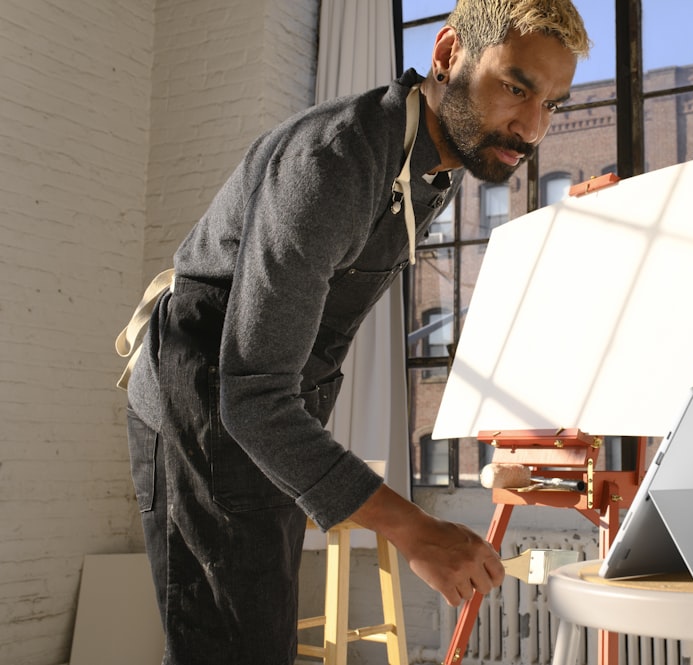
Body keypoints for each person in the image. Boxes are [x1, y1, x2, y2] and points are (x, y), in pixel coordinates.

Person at [119, 0, 590, 663]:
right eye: (517, 86)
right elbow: (251, 393)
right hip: (205, 401)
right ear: (449, 53)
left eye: (553, 104)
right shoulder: (336, 162)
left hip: (267, 417)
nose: (534, 125)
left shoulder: (442, 162)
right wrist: (416, 530)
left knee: (250, 642)